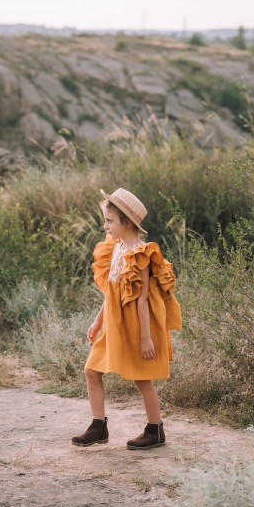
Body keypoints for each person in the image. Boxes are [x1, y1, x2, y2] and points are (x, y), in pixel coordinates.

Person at [71, 187, 182, 450]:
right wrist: (98, 321)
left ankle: (155, 430)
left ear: (127, 222)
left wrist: (145, 339)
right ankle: (98, 426)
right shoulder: (116, 248)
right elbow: (112, 290)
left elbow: (142, 298)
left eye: (109, 220)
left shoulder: (141, 253)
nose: (105, 225)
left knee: (141, 378)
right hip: (114, 322)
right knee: (91, 370)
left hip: (135, 325)